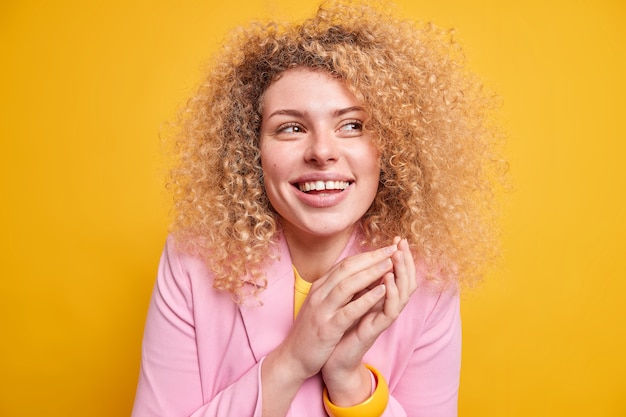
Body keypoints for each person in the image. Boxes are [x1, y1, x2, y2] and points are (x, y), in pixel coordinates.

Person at [132, 1, 503, 416]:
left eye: (353, 125)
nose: (323, 152)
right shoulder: (193, 261)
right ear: (250, 150)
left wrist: (349, 379)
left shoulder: (426, 278)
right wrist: (293, 359)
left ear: (394, 146)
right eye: (291, 127)